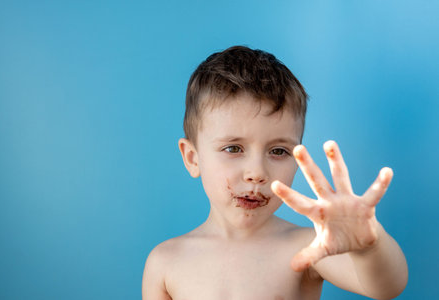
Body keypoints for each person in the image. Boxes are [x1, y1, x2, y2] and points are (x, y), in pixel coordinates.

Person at [142, 45, 408, 300]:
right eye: (233, 148)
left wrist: (369, 245)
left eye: (278, 151)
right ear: (192, 158)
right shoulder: (166, 261)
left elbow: (386, 288)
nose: (257, 173)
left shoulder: (309, 247)